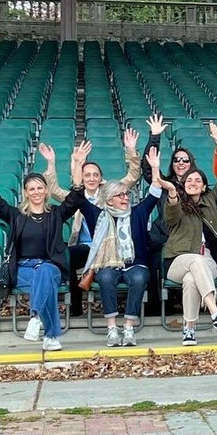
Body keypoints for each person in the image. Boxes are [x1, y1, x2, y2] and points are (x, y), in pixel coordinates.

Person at [0, 142, 87, 352]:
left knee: (45, 272)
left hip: (51, 267)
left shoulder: (56, 214)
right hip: (23, 269)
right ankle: (50, 336)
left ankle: (35, 317)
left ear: (46, 190)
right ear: (25, 192)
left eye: (40, 188)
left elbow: (75, 197)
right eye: (32, 189)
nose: (36, 192)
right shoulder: (16, 215)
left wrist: (78, 164)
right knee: (45, 283)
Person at [40, 128, 141, 317]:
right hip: (87, 246)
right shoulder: (75, 197)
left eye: (95, 175)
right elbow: (53, 189)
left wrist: (131, 150)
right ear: (81, 177)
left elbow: (133, 176)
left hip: (111, 245)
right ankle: (75, 306)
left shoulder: (111, 193)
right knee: (67, 255)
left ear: (101, 178)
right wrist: (51, 164)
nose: (92, 178)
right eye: (87, 175)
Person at [75, 145, 164, 347]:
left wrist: (155, 169)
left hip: (135, 264)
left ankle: (129, 327)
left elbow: (155, 192)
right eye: (120, 195)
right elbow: (78, 197)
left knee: (139, 277)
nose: (125, 198)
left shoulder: (138, 212)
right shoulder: (98, 215)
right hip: (109, 264)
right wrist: (78, 164)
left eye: (126, 194)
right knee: (106, 277)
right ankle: (112, 328)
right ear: (108, 199)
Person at [154, 165, 217, 346]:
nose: (193, 183)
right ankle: (215, 313)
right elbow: (170, 216)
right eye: (189, 180)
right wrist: (172, 193)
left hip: (206, 258)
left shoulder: (209, 201)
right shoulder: (176, 203)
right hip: (177, 259)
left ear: (204, 187)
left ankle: (189, 329)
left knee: (191, 280)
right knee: (196, 260)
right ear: (183, 185)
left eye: (198, 180)